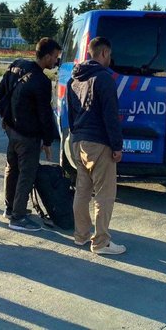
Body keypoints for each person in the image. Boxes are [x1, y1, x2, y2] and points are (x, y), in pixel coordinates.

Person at [0, 37, 61, 232]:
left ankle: (10, 208)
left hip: (11, 129)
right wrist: (47, 141)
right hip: (28, 135)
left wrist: (7, 117)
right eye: (56, 58)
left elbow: (0, 91)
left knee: (12, 168)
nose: (56, 62)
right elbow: (44, 114)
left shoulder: (17, 65)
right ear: (47, 56)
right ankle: (18, 217)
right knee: (27, 173)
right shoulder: (41, 81)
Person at [67, 37, 125, 255]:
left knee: (82, 190)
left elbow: (70, 114)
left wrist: (75, 136)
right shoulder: (104, 79)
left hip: (79, 141)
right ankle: (101, 242)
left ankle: (80, 236)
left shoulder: (75, 79)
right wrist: (117, 146)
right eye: (109, 55)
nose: (110, 59)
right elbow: (111, 115)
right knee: (105, 193)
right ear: (103, 54)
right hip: (99, 143)